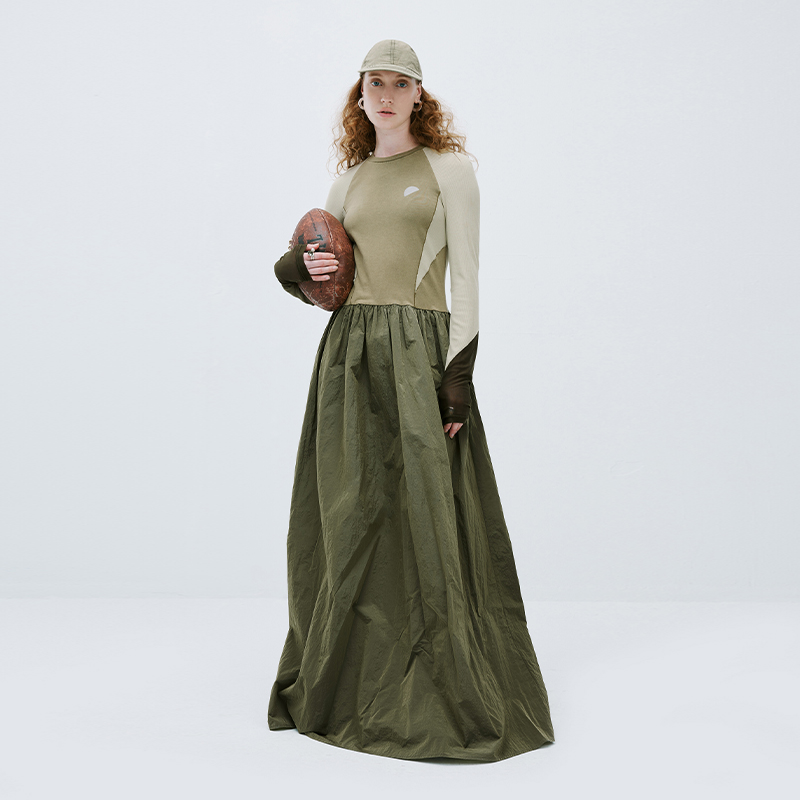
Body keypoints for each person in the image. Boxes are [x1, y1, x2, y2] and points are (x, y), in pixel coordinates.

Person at [267, 39, 555, 762]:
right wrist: (299, 264)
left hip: (419, 353)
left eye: (401, 84)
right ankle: (345, 684)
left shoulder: (450, 171)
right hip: (349, 358)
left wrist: (458, 376)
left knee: (427, 512)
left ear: (419, 95)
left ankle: (438, 683)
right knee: (349, 512)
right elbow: (320, 280)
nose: (387, 95)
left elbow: (468, 278)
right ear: (360, 95)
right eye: (376, 83)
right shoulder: (348, 182)